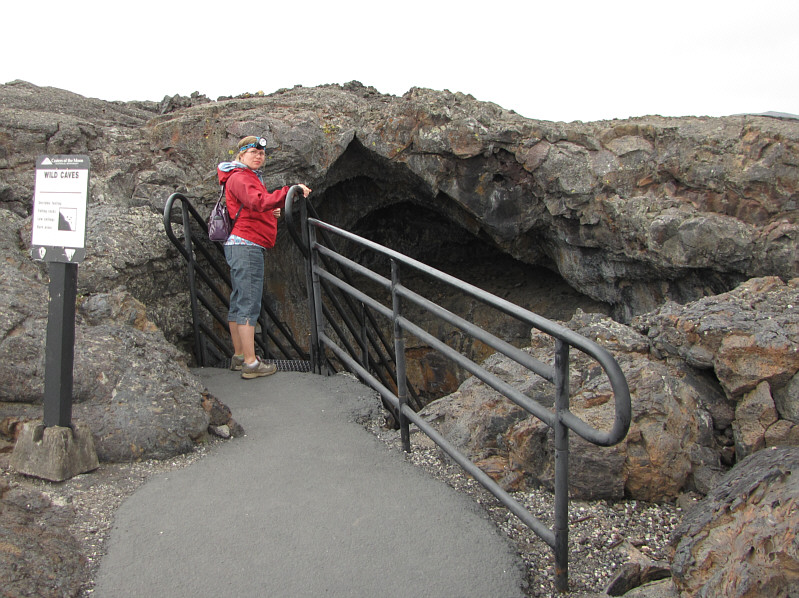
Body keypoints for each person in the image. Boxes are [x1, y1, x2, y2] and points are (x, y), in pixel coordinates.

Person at [217, 135, 312, 379]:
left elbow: (252, 208)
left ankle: (240, 356)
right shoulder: (239, 176)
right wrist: (290, 191)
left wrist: (273, 212)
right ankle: (250, 364)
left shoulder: (245, 176)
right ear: (241, 156)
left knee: (240, 300)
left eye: (261, 153)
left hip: (243, 244)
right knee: (249, 303)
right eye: (253, 152)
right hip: (246, 245)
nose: (258, 156)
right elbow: (257, 202)